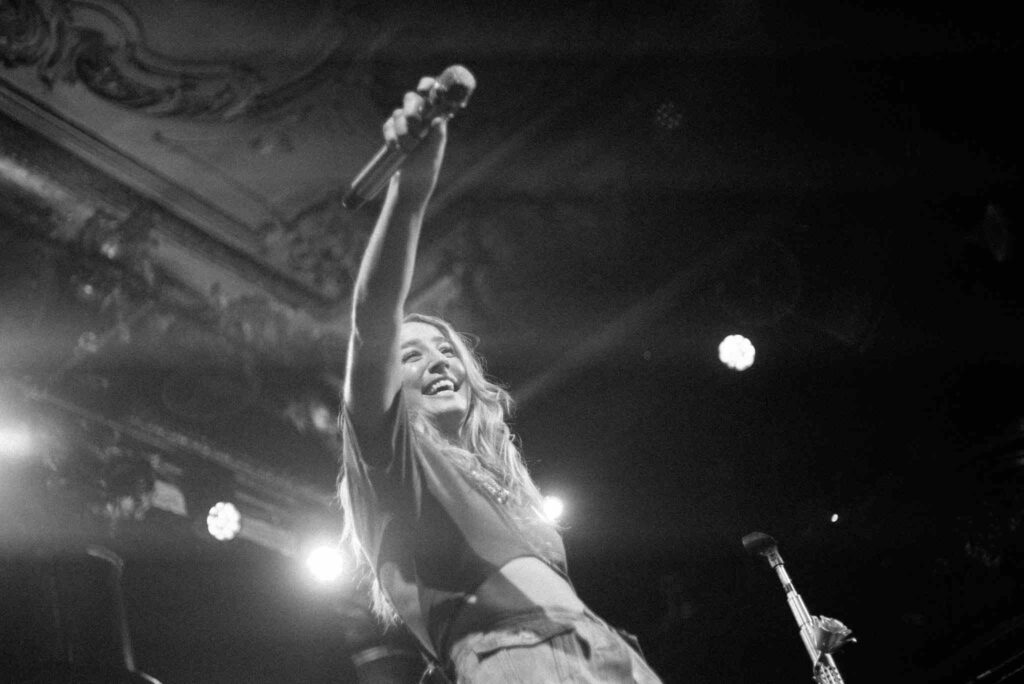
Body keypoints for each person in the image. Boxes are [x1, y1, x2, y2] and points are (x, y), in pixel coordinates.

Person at [338, 75, 663, 683]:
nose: (438, 360)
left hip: (608, 652)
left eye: (445, 348)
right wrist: (412, 189)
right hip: (516, 656)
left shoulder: (504, 492)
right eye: (411, 357)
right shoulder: (390, 462)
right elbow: (371, 323)